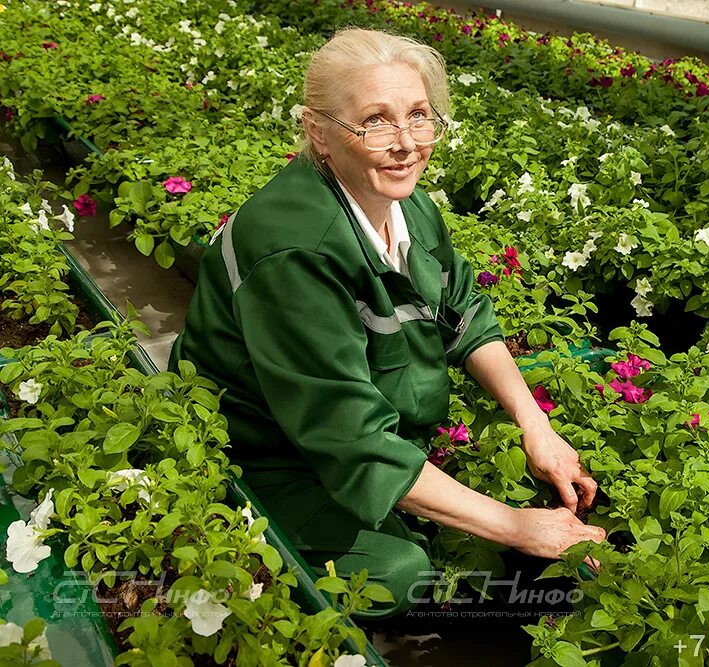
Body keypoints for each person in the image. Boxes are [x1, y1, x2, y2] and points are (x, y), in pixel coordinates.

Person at [167, 28, 605, 619]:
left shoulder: (408, 205)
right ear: (318, 132)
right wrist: (515, 528)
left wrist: (535, 425)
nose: (406, 144)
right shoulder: (295, 247)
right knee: (397, 573)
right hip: (273, 453)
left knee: (513, 492)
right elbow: (348, 436)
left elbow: (466, 314)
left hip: (368, 427)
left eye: (420, 117)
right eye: (376, 120)